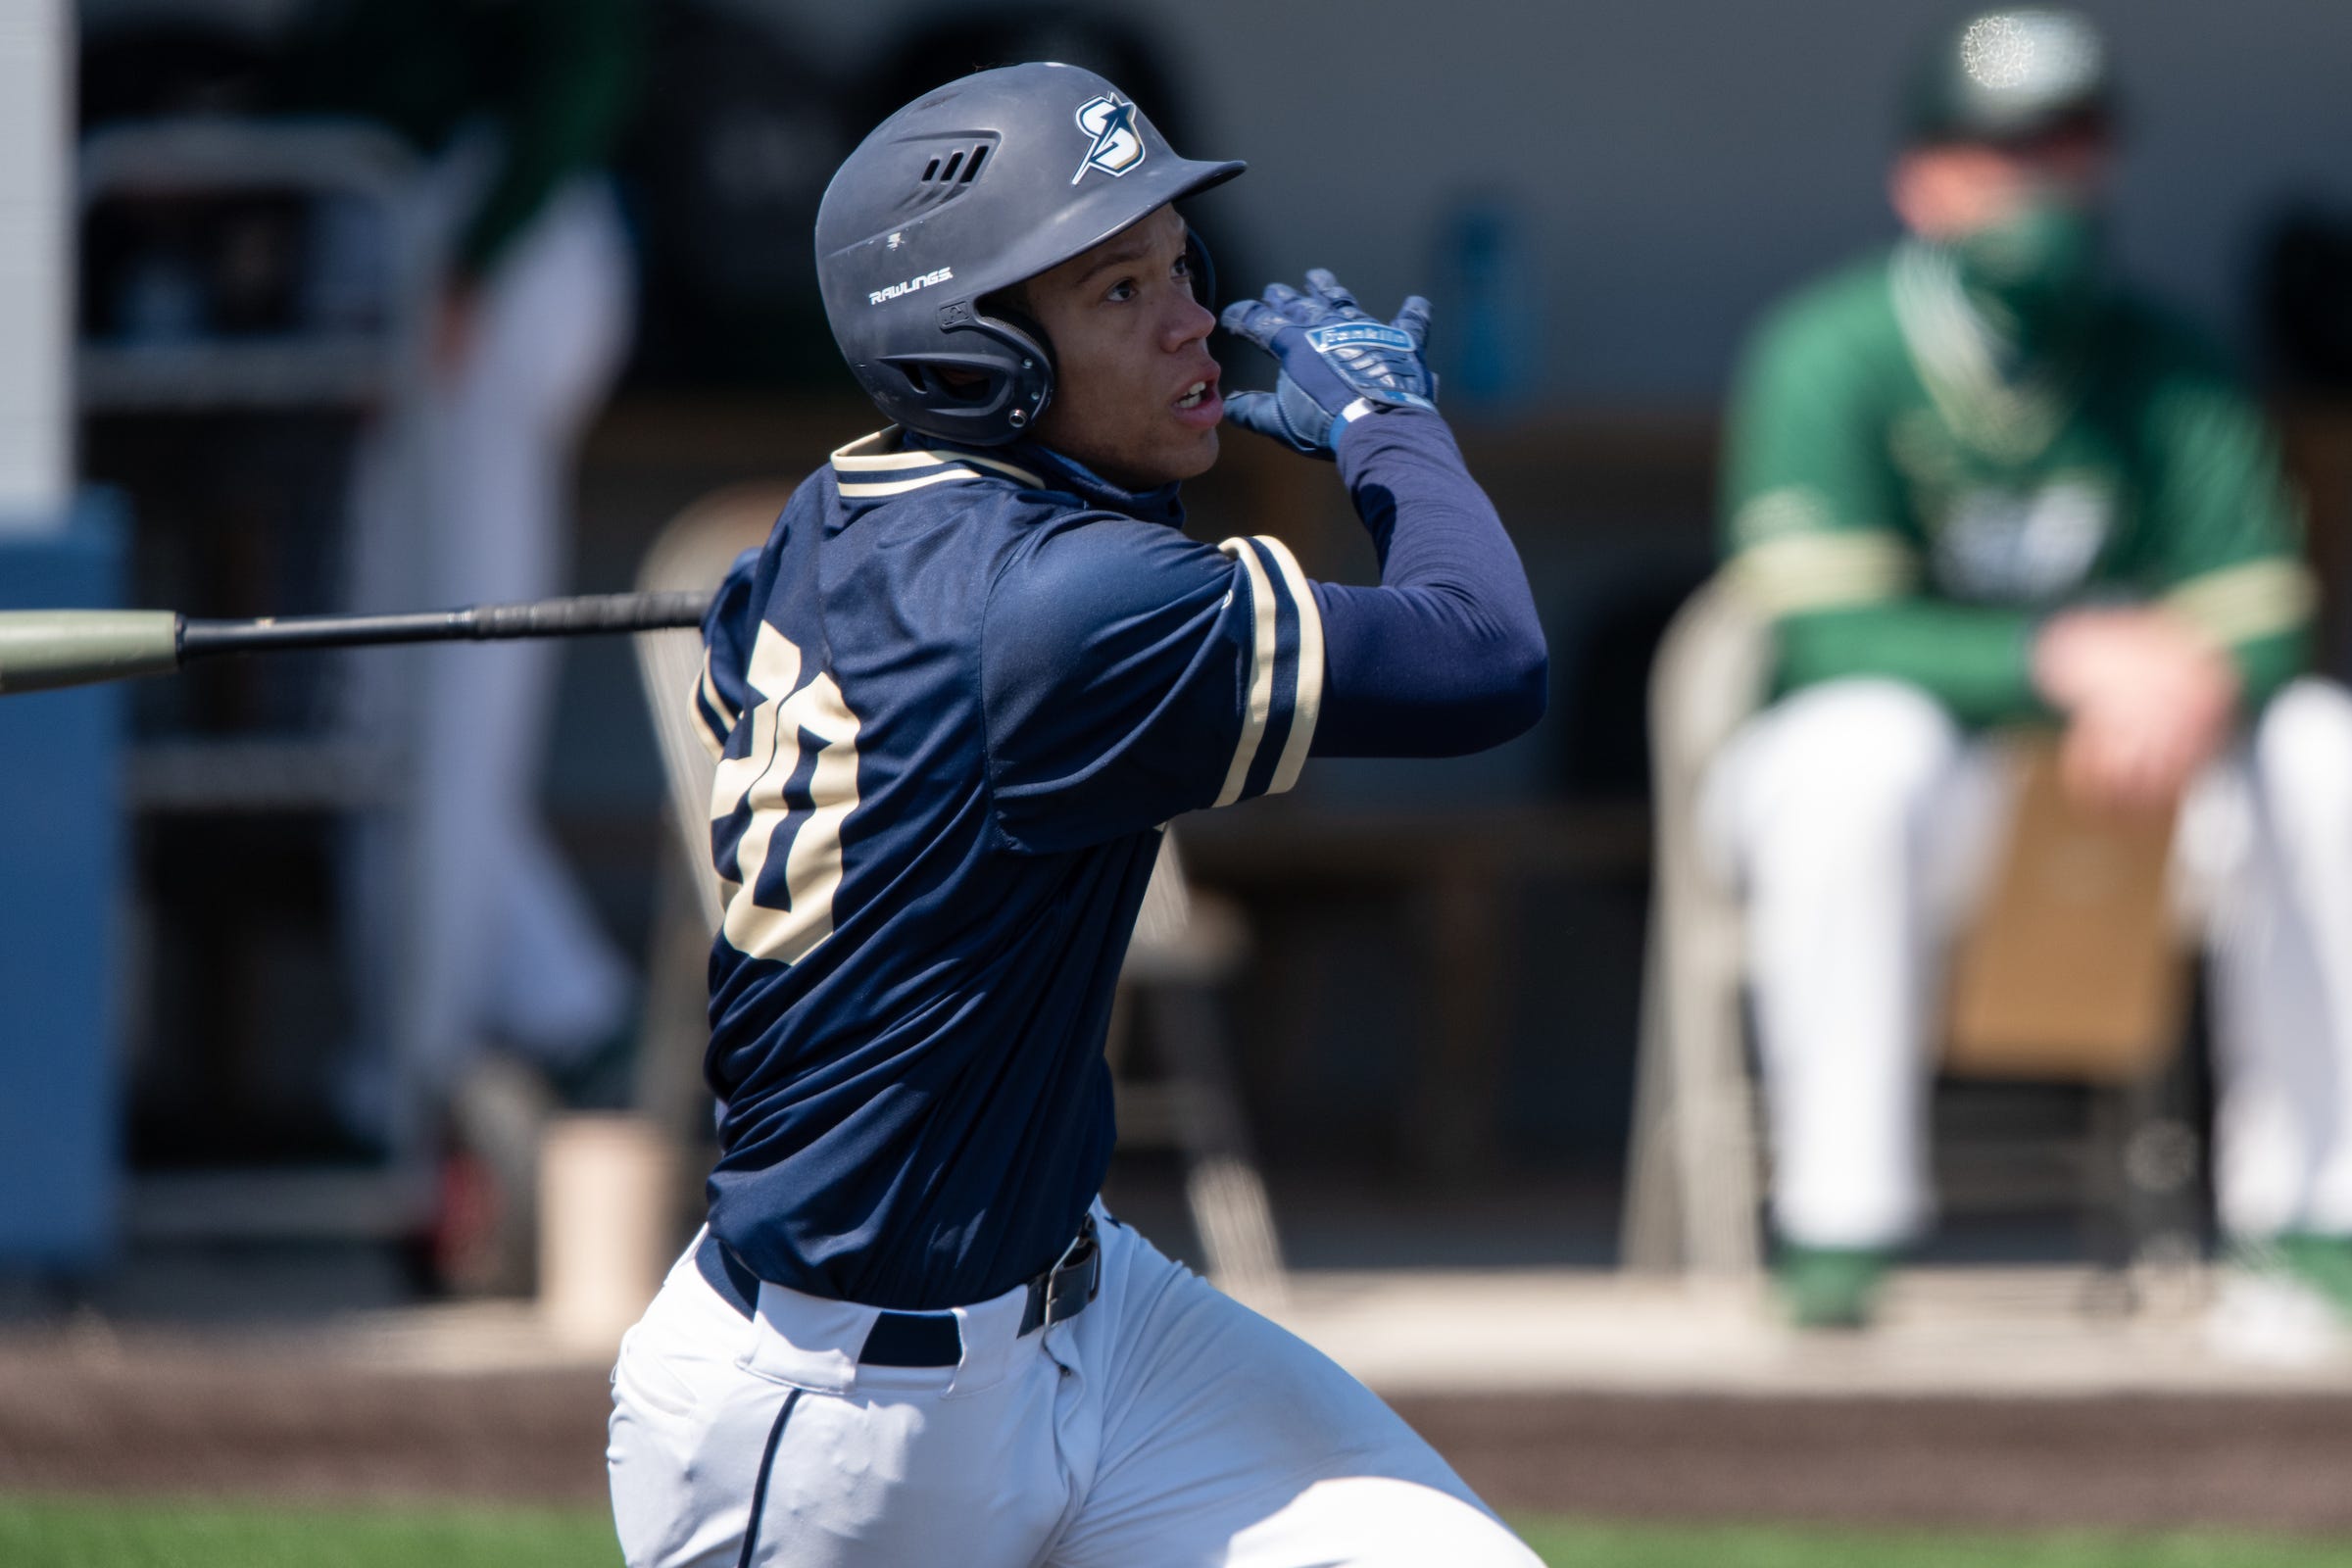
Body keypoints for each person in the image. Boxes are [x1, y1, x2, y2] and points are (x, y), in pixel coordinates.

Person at [605, 63, 1548, 1568]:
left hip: (1094, 1322)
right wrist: (1387, 427)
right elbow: (1487, 654)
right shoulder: (1065, 609)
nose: (1193, 324)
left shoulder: (841, 508)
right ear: (972, 356)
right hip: (835, 1418)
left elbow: (751, 658)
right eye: (1118, 291)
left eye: (1183, 267)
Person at [1712, 5, 2352, 1330]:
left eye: (2064, 146)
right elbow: (1826, 634)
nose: (2036, 181)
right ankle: (1841, 1223)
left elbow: (2267, 610)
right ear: (1924, 175)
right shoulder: (1828, 351)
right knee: (1855, 752)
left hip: (2135, 787)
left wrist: (2174, 678)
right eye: (2000, 151)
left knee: (2320, 749)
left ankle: (2316, 1216)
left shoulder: (2167, 361)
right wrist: (2063, 658)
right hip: (1921, 801)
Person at [283, 0, 645, 1117]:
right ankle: (569, 1012)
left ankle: (406, 1084)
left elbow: (591, 59)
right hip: (423, 231)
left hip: (488, 246)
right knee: (376, 701)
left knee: (446, 686)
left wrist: (471, 267)